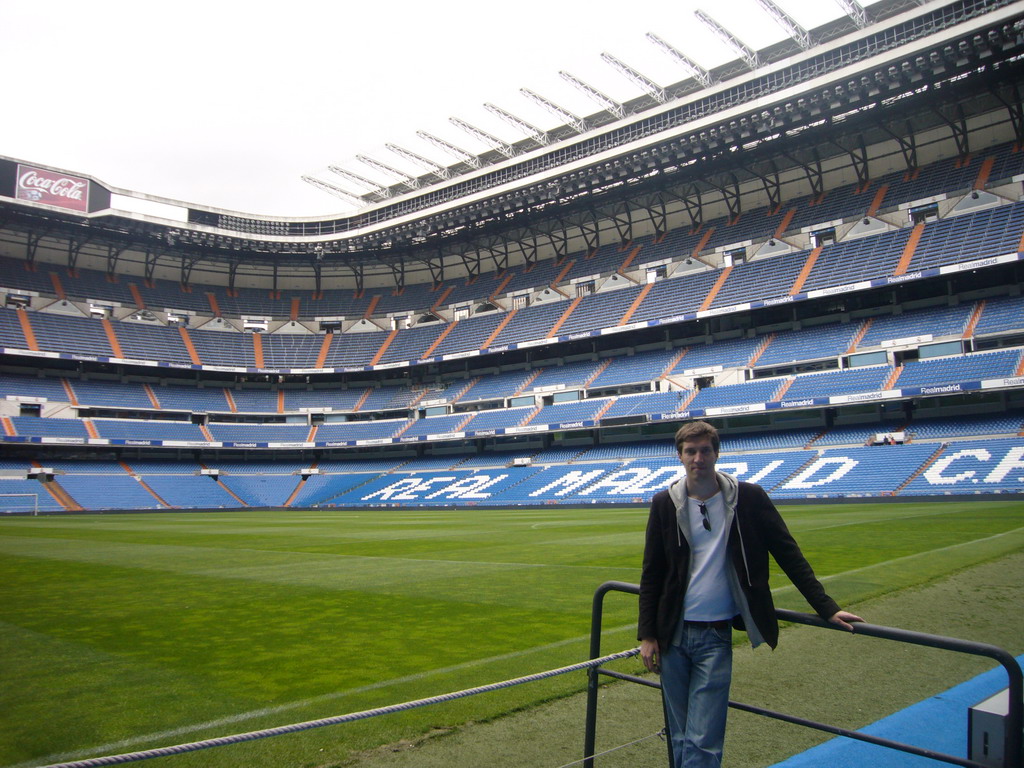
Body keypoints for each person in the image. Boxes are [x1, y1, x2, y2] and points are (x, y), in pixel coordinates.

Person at [638, 420, 863, 768]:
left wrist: (826, 607)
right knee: (681, 734)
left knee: (704, 739)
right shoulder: (664, 503)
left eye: (705, 450)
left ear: (716, 453)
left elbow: (789, 554)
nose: (698, 457)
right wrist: (648, 634)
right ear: (680, 456)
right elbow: (652, 573)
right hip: (673, 635)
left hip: (715, 635)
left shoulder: (750, 498)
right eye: (690, 451)